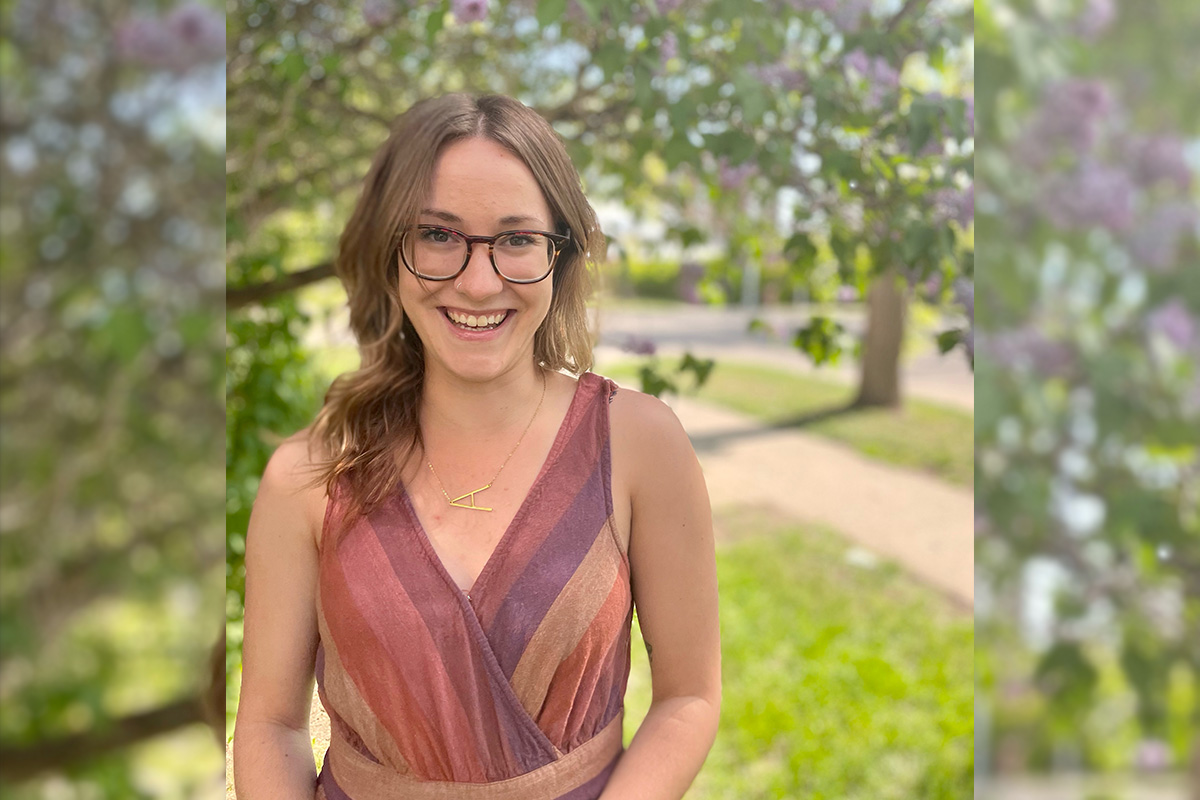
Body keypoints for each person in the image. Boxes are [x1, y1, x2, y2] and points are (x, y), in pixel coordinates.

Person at [232, 93, 721, 800]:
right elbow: (271, 725)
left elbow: (688, 698)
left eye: (517, 239)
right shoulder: (308, 477)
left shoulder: (641, 446)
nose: (479, 280)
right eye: (439, 235)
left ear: (561, 254)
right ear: (389, 249)